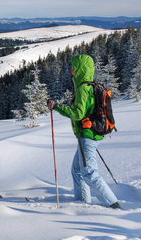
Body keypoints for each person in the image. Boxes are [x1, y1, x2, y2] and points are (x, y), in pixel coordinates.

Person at [47, 54, 121, 209]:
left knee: (88, 173)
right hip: (91, 134)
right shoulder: (91, 86)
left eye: (73, 68)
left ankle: (113, 205)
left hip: (87, 135)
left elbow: (77, 114)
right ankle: (82, 203)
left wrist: (56, 107)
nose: (71, 71)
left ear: (80, 69)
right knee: (77, 170)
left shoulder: (83, 89)